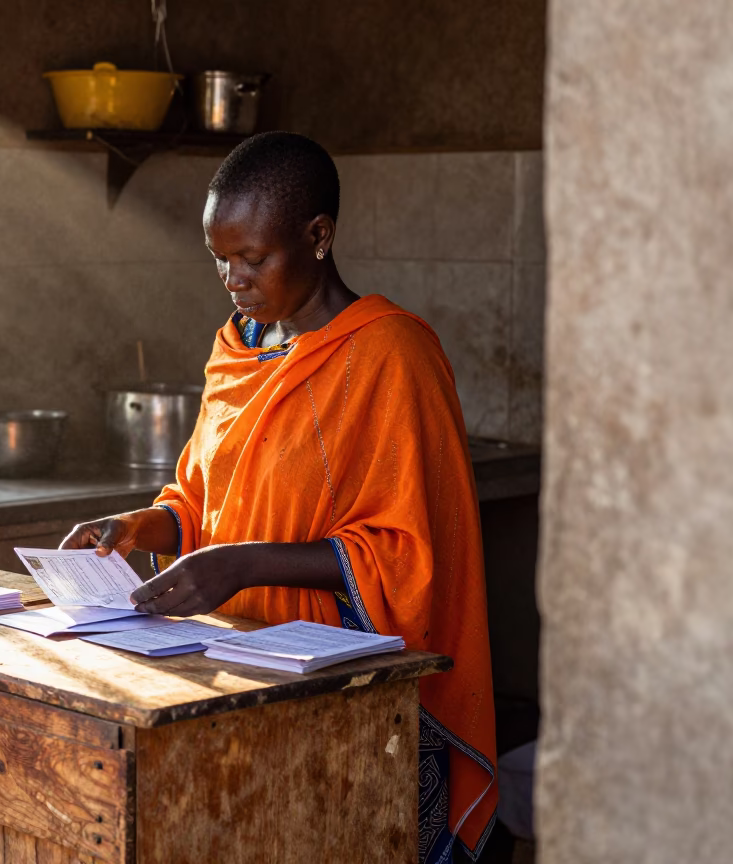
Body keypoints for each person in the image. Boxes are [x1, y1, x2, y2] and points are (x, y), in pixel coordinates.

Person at [61, 132, 497, 864]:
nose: (233, 279)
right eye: (220, 259)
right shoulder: (239, 348)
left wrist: (243, 565)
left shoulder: (391, 356)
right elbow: (203, 503)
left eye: (252, 258)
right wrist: (137, 526)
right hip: (229, 673)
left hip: (348, 692)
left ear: (318, 236)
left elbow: (408, 556)